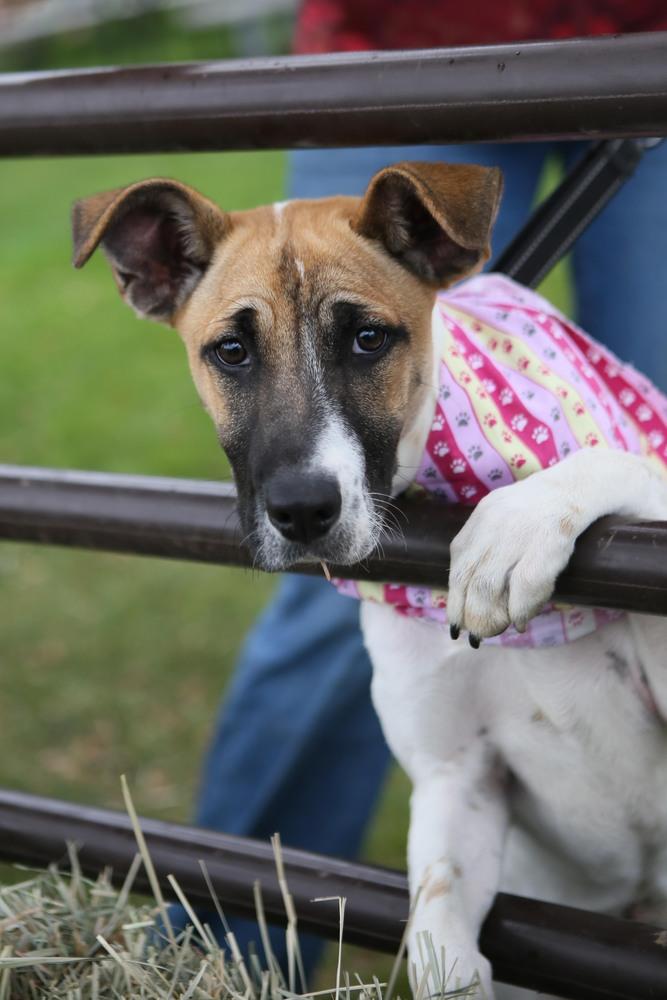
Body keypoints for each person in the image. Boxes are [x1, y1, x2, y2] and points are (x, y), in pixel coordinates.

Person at [170, 0, 667, 975]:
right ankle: (226, 964)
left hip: (643, 25)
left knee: (641, 489)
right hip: (407, 32)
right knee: (336, 557)